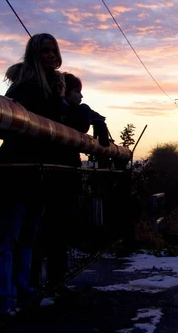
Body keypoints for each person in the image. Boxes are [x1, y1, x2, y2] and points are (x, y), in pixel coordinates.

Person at [0, 33, 65, 321]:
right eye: (44, 50)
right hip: (16, 167)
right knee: (8, 236)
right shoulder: (23, 87)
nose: (50, 54)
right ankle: (2, 299)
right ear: (34, 54)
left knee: (27, 237)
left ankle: (22, 292)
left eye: (53, 50)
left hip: (38, 170)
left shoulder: (54, 87)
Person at [32, 72, 110, 295]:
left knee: (53, 231)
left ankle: (48, 280)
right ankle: (45, 282)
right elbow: (82, 121)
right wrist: (92, 117)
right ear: (65, 90)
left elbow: (86, 115)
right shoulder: (59, 109)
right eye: (77, 91)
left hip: (59, 176)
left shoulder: (68, 109)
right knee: (50, 231)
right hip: (55, 176)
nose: (82, 95)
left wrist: (98, 119)